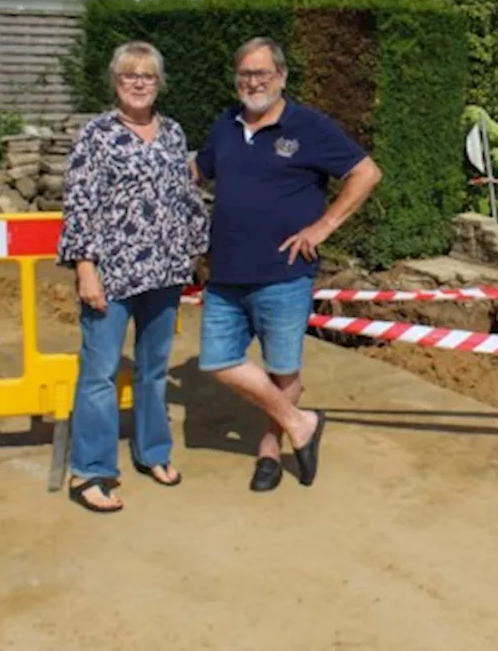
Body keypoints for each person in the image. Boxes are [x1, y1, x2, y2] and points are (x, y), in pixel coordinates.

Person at [190, 36, 381, 493]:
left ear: (282, 76)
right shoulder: (225, 124)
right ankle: (301, 422)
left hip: (283, 273)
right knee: (217, 360)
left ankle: (270, 452)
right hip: (226, 271)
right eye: (245, 74)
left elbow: (366, 172)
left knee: (282, 371)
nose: (252, 82)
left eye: (261, 73)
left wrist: (323, 227)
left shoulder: (308, 126)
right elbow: (196, 170)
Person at [57, 41, 211, 513]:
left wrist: (200, 252)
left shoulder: (172, 134)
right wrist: (86, 268)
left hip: (163, 272)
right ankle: (91, 471)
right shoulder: (96, 135)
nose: (139, 83)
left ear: (159, 82)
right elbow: (79, 204)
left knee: (154, 369)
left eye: (147, 75)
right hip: (112, 273)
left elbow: (185, 199)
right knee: (100, 374)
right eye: (129, 75)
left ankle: (153, 452)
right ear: (115, 82)